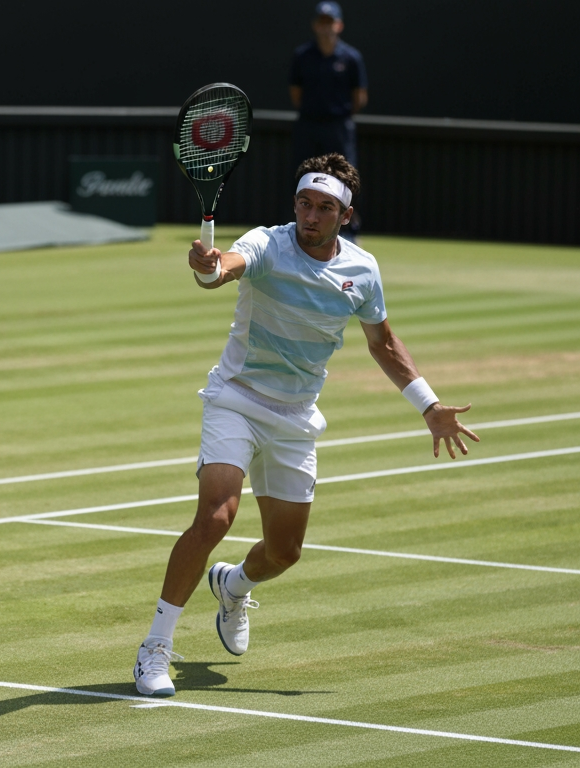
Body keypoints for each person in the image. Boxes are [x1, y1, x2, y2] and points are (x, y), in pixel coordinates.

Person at [131, 153, 479, 697]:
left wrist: (429, 406)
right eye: (303, 203)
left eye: (324, 208)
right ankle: (155, 648)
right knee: (217, 515)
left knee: (284, 552)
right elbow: (222, 270)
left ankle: (234, 585)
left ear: (346, 215)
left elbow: (384, 343)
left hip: (295, 419)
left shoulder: (362, 270)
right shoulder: (268, 244)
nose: (310, 216)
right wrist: (208, 267)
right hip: (236, 400)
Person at [289, 1, 367, 237]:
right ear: (315, 25)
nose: (326, 27)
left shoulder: (351, 58)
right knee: (305, 175)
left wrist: (337, 114)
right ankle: (301, 228)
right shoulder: (302, 56)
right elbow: (296, 94)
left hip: (338, 127)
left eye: (330, 22)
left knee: (344, 177)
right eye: (321, 22)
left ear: (339, 25)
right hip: (309, 125)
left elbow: (359, 97)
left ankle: (348, 229)